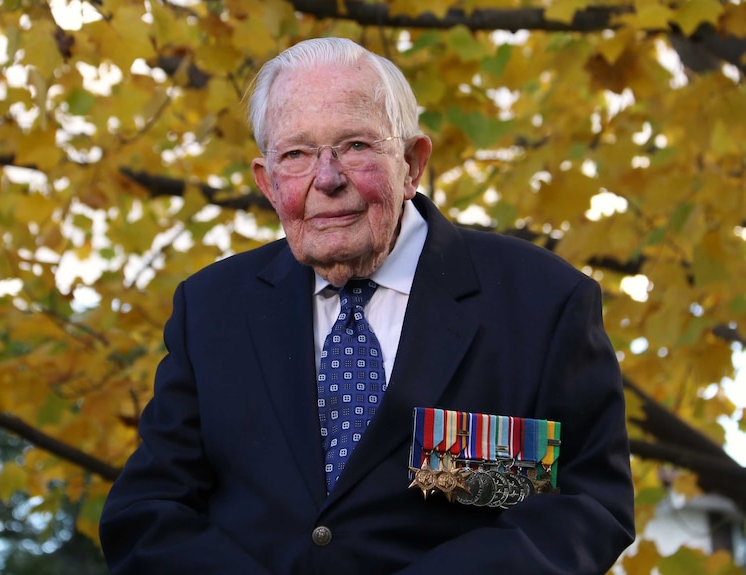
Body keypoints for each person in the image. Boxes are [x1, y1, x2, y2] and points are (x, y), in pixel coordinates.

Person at [99, 37, 635, 574]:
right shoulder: (211, 309)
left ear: (412, 163)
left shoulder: (541, 301)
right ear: (267, 182)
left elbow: (586, 504)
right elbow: (147, 511)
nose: (326, 179)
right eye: (297, 154)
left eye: (355, 146)